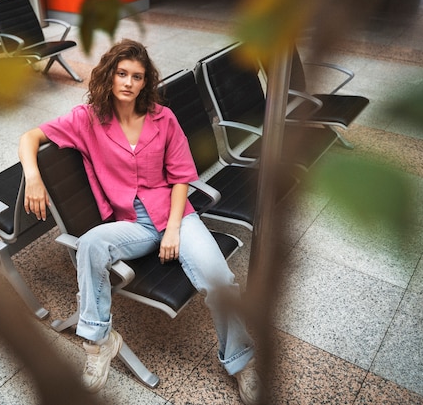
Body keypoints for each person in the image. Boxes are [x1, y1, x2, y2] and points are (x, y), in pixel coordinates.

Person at [18, 39, 260, 403]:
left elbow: (180, 178)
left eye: (138, 76)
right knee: (90, 244)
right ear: (109, 76)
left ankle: (241, 362)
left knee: (220, 281)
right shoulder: (87, 119)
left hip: (176, 214)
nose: (129, 82)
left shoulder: (163, 118)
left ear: (146, 82)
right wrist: (33, 177)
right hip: (131, 222)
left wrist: (174, 229)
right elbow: (30, 136)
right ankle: (99, 343)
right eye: (122, 74)